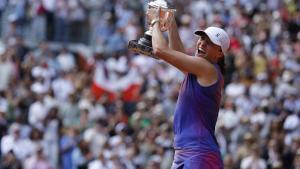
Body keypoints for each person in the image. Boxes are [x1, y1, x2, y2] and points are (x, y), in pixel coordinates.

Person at [147, 6, 230, 169]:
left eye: (209, 43)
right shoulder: (201, 69)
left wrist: (155, 20)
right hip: (187, 153)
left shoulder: (206, 67)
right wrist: (170, 23)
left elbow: (160, 50)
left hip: (199, 153)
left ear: (219, 53)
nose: (202, 43)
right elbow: (178, 54)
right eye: (202, 39)